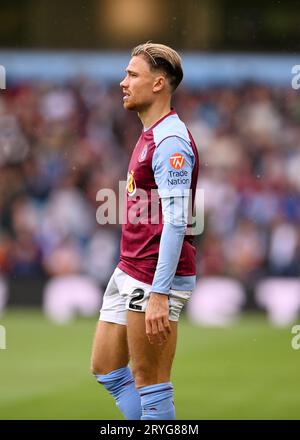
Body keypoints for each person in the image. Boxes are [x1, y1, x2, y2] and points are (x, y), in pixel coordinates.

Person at [91, 42, 199, 420]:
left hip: (154, 276)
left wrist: (160, 293)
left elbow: (176, 219)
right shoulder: (150, 132)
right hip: (130, 267)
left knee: (150, 384)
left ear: (158, 84)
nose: (123, 82)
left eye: (132, 75)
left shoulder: (171, 141)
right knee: (106, 368)